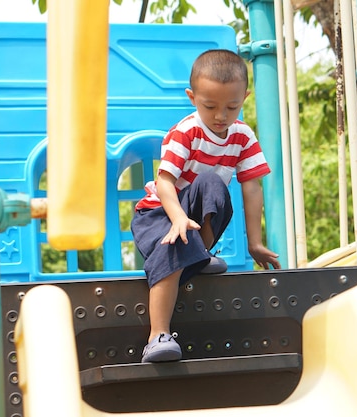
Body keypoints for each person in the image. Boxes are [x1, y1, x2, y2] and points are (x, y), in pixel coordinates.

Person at [131, 49, 281, 363]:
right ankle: (157, 335)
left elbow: (252, 188)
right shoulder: (187, 132)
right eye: (210, 106)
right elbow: (164, 182)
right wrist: (177, 219)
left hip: (192, 214)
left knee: (214, 184)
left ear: (245, 97)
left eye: (232, 106)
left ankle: (200, 254)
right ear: (192, 97)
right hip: (159, 212)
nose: (221, 116)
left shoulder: (243, 136)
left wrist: (254, 243)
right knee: (172, 246)